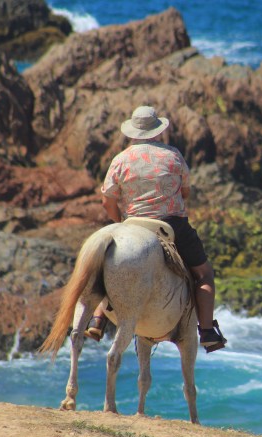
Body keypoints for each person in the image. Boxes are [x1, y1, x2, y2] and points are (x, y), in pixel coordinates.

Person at [85, 105, 226, 351]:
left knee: (108, 267)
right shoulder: (173, 155)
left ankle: (98, 318)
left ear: (133, 132)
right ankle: (206, 331)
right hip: (170, 225)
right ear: (157, 130)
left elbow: (107, 200)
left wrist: (120, 222)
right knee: (204, 274)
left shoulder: (120, 159)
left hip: (132, 224)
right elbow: (185, 192)